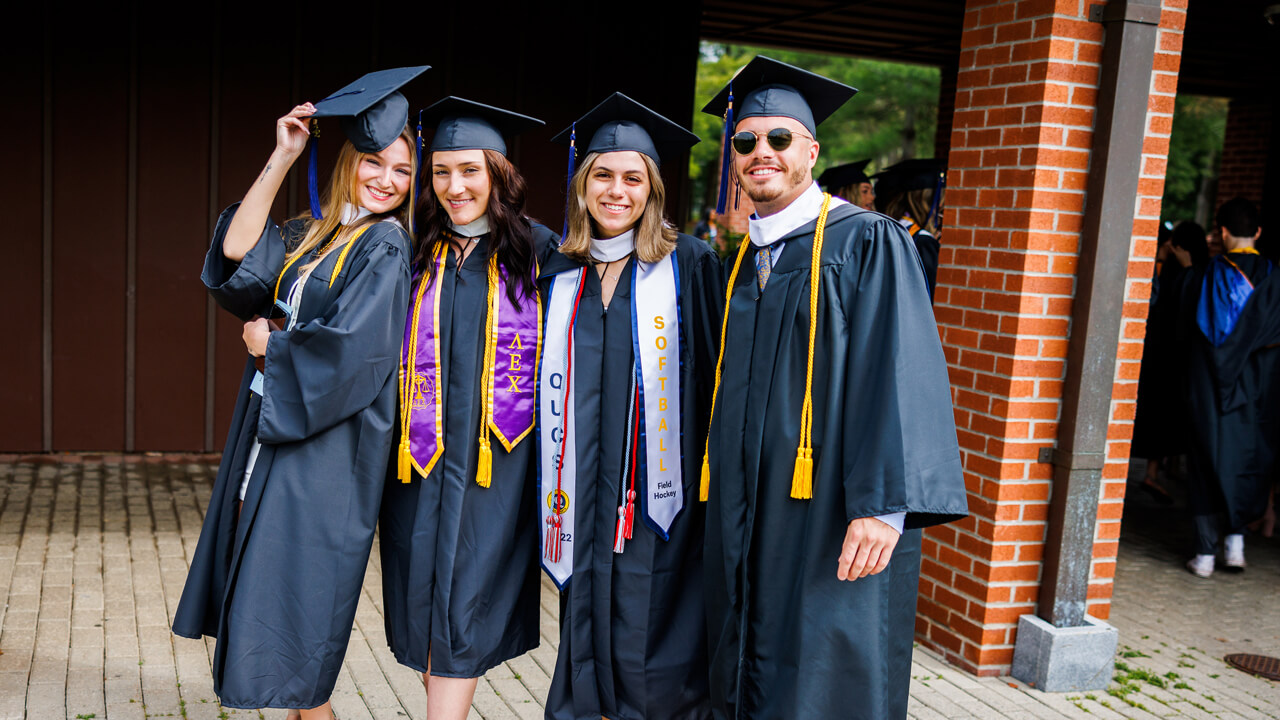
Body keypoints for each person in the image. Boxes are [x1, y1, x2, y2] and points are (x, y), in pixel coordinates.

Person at [698, 56, 969, 720]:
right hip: (749, 511)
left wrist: (886, 507)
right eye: (746, 141)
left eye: (779, 139)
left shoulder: (867, 242)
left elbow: (901, 372)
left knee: (824, 671)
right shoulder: (745, 263)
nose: (761, 153)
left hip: (829, 511)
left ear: (811, 151)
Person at [172, 66, 426, 719]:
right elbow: (236, 255)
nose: (387, 181)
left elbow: (355, 351)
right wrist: (283, 154)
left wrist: (271, 346)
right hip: (277, 424)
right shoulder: (319, 232)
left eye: (402, 172)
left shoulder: (387, 244)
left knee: (300, 599)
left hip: (330, 446)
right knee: (277, 587)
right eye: (375, 163)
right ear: (350, 162)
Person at [540, 93, 721, 720]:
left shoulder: (690, 263)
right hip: (580, 488)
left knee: (655, 632)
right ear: (582, 185)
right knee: (584, 618)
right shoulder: (560, 271)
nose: (617, 191)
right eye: (603, 176)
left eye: (632, 178)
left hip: (658, 496)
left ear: (653, 189)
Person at [378, 96, 554, 719]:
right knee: (426, 602)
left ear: (500, 173)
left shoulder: (544, 255)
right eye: (441, 172)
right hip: (417, 463)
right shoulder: (407, 251)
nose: (455, 187)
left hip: (496, 467)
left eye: (471, 171)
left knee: (466, 605)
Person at [1178, 197, 1280, 577]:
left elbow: (1183, 335)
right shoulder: (1274, 277)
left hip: (1208, 390)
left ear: (1221, 232)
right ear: (1257, 232)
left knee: (1205, 461)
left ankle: (1204, 555)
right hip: (1257, 393)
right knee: (1249, 462)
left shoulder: (1203, 277)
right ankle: (1235, 547)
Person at [1132, 222, 1207, 503]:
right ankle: (1156, 471)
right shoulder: (1190, 273)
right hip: (1170, 355)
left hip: (1171, 355)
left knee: (1163, 415)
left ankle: (1159, 471)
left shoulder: (1194, 276)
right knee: (1162, 415)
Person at [874, 157, 946, 301]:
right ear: (929, 200)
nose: (941, 206)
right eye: (940, 201)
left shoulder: (889, 227)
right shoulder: (924, 241)